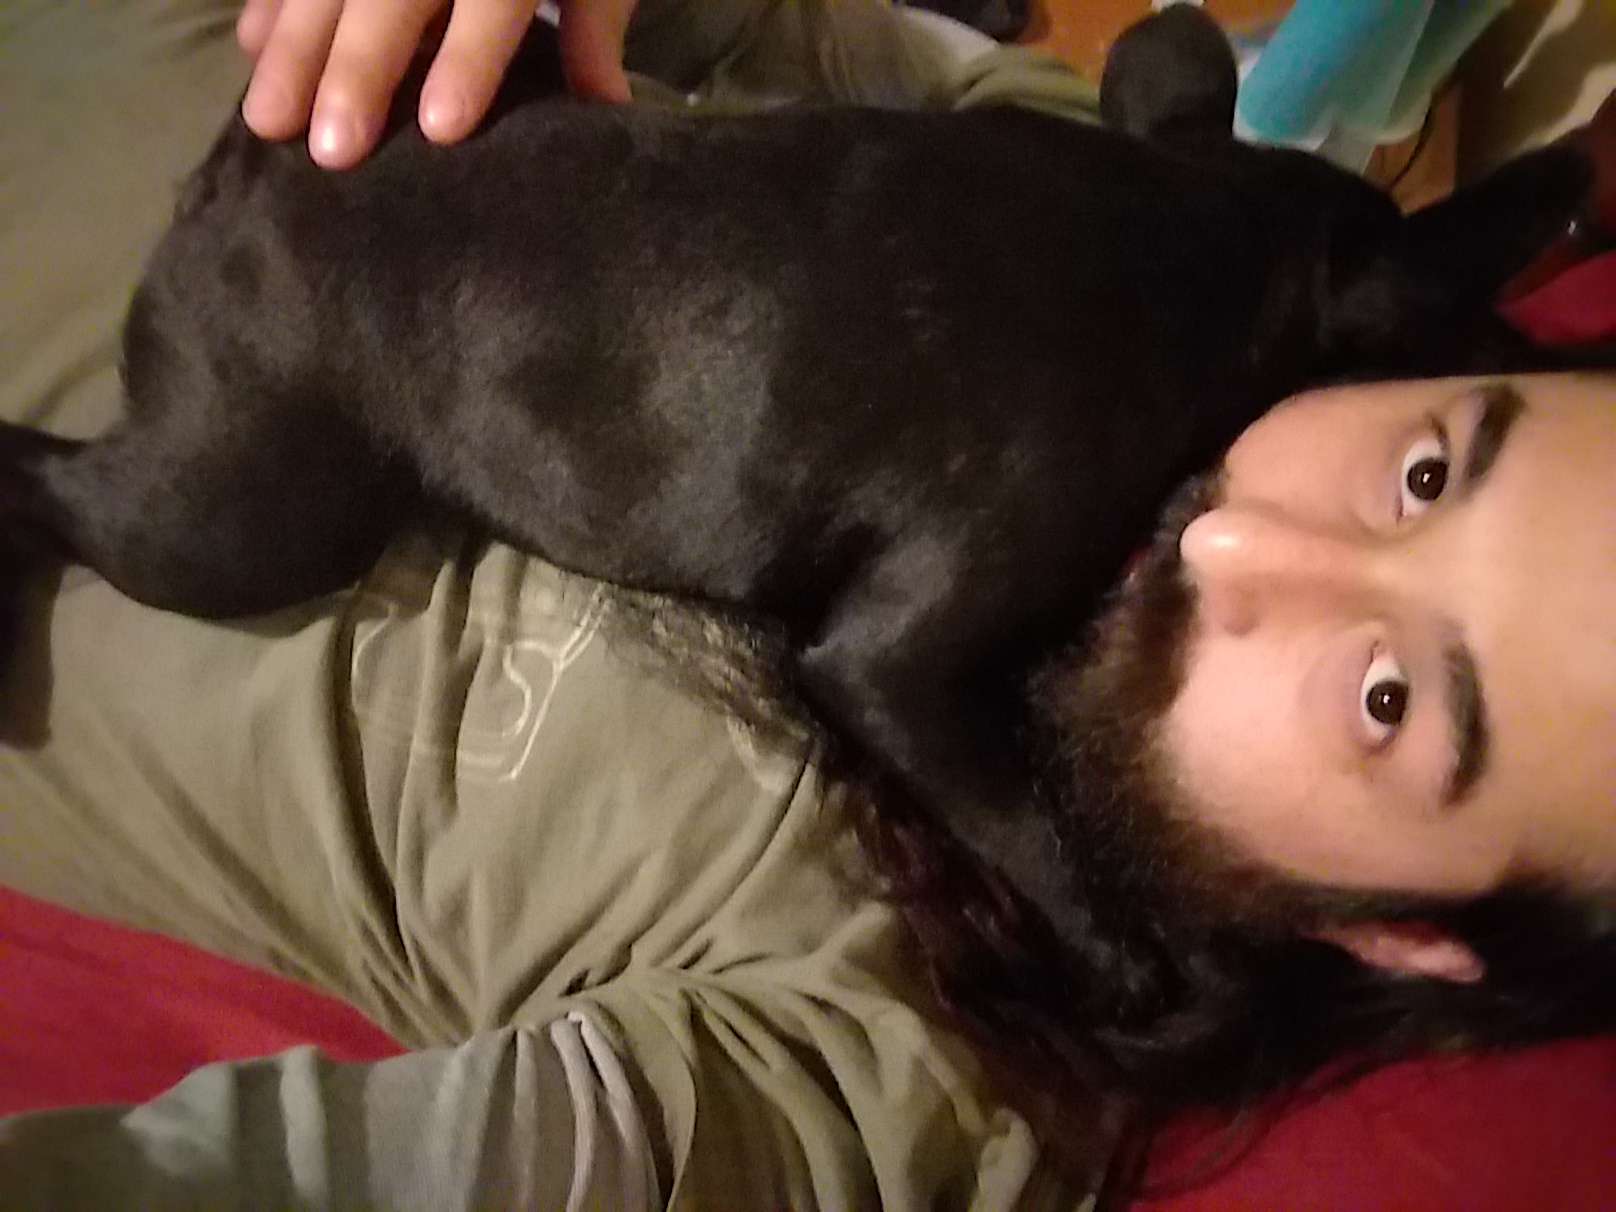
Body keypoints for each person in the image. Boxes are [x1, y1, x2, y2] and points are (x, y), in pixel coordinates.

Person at [0, 1, 1610, 1207]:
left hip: (195, 408)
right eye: (1424, 471)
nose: (1235, 542)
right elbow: (780, 39)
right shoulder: (1126, 214)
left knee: (199, 536)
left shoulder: (867, 1075)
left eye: (1389, 697)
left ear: (1406, 937)